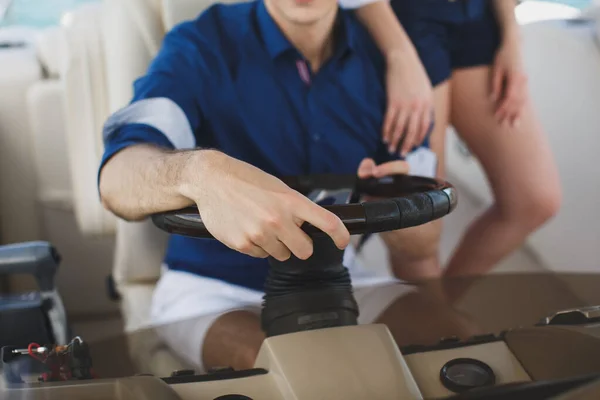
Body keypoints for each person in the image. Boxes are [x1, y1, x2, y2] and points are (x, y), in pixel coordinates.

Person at [98, 0, 441, 371]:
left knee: (457, 343)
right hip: (212, 289)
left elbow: (424, 242)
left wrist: (389, 200)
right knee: (298, 372)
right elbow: (117, 178)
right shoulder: (201, 45)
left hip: (342, 279)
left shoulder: (389, 66)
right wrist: (201, 172)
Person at [341, 0, 562, 281]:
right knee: (419, 223)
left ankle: (440, 312)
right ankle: (435, 318)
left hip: (479, 15)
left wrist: (512, 37)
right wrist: (398, 53)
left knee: (535, 200)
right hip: (399, 21)